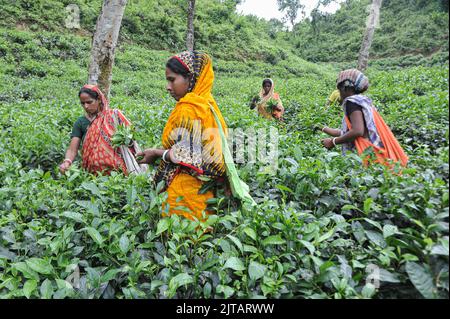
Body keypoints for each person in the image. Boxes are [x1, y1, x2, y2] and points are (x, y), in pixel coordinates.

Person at [137, 51, 230, 221]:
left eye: (172, 79)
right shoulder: (208, 103)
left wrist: (157, 153)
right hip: (205, 195)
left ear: (190, 78)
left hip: (183, 196)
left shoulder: (190, 107)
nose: (168, 86)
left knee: (178, 240)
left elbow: (186, 155)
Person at [319, 69, 408, 167]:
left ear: (345, 88)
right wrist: (323, 128)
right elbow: (348, 131)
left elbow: (358, 131)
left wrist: (333, 142)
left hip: (365, 154)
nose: (339, 92)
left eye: (339, 88)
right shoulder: (363, 100)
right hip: (372, 150)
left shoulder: (351, 102)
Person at [59, 85, 134, 175]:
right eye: (82, 103)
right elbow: (72, 149)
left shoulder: (114, 116)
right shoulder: (81, 122)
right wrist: (67, 162)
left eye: (89, 102)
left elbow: (131, 140)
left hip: (118, 174)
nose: (86, 106)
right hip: (91, 174)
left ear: (99, 100)